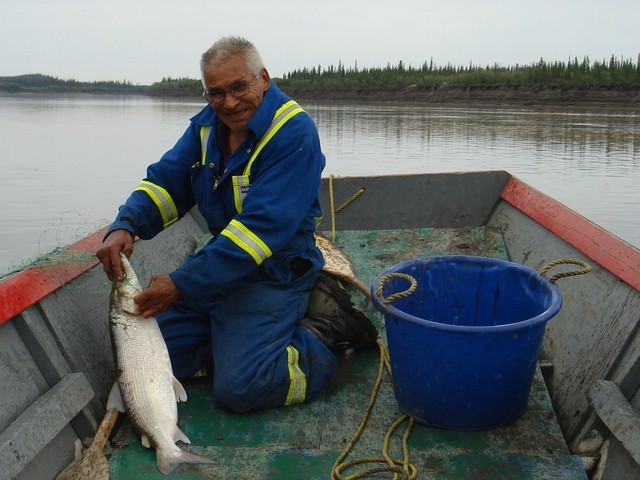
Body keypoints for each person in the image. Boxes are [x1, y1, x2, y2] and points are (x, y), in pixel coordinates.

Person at [96, 36, 377, 412]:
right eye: (216, 93)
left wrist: (182, 284)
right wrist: (125, 225)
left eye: (238, 87)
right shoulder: (207, 128)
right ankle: (234, 343)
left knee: (243, 388)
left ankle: (325, 335)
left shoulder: (293, 133)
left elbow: (258, 234)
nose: (229, 103)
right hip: (218, 267)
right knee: (153, 362)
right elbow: (167, 182)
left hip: (273, 271)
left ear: (262, 78)